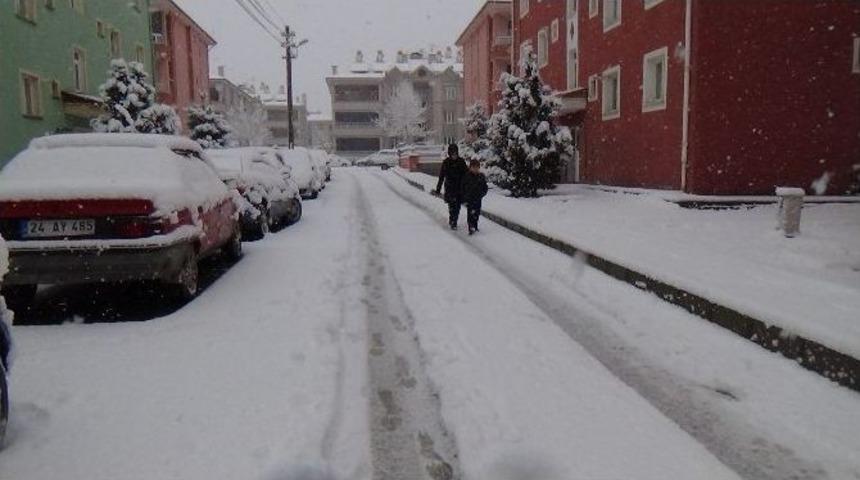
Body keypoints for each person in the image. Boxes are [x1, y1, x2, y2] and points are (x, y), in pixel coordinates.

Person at [435, 143, 468, 230]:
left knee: (457, 206)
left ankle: (454, 220)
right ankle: (453, 221)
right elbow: (441, 176)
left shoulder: (461, 162)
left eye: (455, 153)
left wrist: (467, 186)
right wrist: (438, 188)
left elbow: (466, 174)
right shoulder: (446, 162)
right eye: (453, 154)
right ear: (450, 154)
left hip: (459, 188)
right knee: (452, 206)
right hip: (450, 188)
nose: (454, 155)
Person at [461, 159, 489, 235]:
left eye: (477, 167)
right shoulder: (467, 176)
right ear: (470, 168)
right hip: (469, 198)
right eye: (473, 167)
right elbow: (462, 187)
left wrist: (482, 194)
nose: (475, 169)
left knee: (477, 213)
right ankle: (471, 227)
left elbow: (485, 187)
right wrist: (464, 197)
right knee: (470, 213)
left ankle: (475, 226)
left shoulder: (481, 176)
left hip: (478, 198)